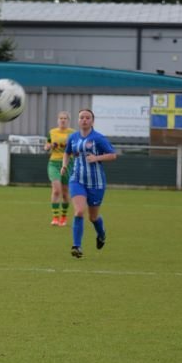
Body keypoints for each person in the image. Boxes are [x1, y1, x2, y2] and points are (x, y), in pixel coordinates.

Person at [61, 108, 117, 258]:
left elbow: (113, 155)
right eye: (81, 117)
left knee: (93, 217)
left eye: (87, 117)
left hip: (96, 183)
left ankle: (101, 234)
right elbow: (67, 152)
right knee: (79, 211)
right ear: (78, 121)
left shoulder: (98, 138)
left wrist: (96, 158)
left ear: (92, 121)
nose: (84, 120)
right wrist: (64, 165)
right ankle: (76, 246)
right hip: (77, 179)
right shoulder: (73, 137)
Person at [44, 111, 74, 226]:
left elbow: (77, 149)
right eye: (61, 118)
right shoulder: (52, 132)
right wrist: (49, 146)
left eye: (65, 118)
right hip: (54, 163)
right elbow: (46, 146)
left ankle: (63, 217)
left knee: (65, 193)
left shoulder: (73, 133)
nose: (63, 120)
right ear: (57, 120)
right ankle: (55, 218)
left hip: (68, 164)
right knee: (56, 190)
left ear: (68, 120)